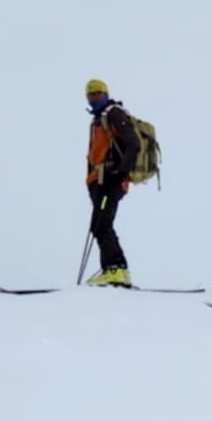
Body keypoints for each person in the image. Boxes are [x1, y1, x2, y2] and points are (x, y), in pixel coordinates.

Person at [83, 78, 140, 287]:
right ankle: (119, 270)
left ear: (106, 94)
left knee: (100, 225)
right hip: (100, 180)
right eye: (90, 94)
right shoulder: (100, 119)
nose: (94, 97)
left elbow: (133, 144)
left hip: (109, 180)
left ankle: (113, 270)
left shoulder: (113, 114)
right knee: (102, 224)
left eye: (98, 93)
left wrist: (119, 173)